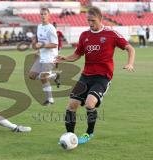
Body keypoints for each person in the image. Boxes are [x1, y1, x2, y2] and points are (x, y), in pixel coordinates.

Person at [55, 6, 135, 144]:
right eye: (88, 21)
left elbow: (130, 48)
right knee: (71, 105)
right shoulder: (84, 35)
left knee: (89, 103)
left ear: (100, 19)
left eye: (93, 20)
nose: (90, 23)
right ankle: (70, 136)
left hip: (102, 77)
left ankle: (89, 133)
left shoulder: (111, 34)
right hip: (86, 76)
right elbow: (77, 54)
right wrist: (65, 59)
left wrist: (130, 63)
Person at [29, 8, 61, 106]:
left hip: (50, 56)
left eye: (45, 14)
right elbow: (38, 42)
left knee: (43, 77)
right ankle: (55, 75)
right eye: (41, 14)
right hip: (42, 54)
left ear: (49, 15)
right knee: (32, 75)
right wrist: (36, 48)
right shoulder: (39, 26)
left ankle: (50, 100)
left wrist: (42, 45)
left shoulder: (51, 28)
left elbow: (55, 44)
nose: (43, 16)